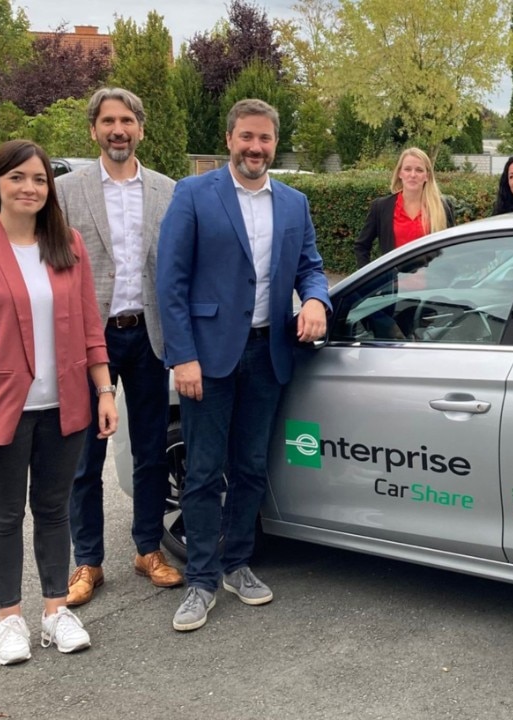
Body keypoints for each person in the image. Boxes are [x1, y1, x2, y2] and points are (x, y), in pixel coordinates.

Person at [156, 98, 331, 632]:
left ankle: (237, 564)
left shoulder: (294, 203)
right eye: (247, 137)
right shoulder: (193, 194)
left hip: (267, 352)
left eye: (266, 139)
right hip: (206, 358)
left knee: (252, 467)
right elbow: (171, 283)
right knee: (205, 471)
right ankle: (201, 580)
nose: (256, 147)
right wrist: (182, 356)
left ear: (276, 143)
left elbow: (311, 267)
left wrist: (318, 300)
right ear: (229, 138)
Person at [0, 139, 118, 665]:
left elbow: (90, 327)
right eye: (18, 177)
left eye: (39, 179)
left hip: (64, 406)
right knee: (3, 515)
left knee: (54, 511)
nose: (29, 188)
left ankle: (55, 612)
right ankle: (9, 619)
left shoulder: (68, 244)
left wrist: (104, 389)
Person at [57, 87, 182, 608]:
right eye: (108, 121)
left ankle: (148, 548)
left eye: (127, 120)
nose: (118, 130)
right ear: (93, 130)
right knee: (85, 454)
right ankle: (87, 561)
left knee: (151, 448)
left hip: (149, 335)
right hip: (92, 337)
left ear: (141, 129)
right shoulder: (66, 191)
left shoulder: (168, 190)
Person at [353, 147, 454, 269]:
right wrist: (368, 280)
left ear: (427, 176)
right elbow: (362, 246)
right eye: (407, 169)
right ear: (400, 173)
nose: (413, 175)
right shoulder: (381, 207)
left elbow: (451, 249)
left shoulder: (442, 207)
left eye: (419, 170)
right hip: (394, 286)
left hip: (434, 286)